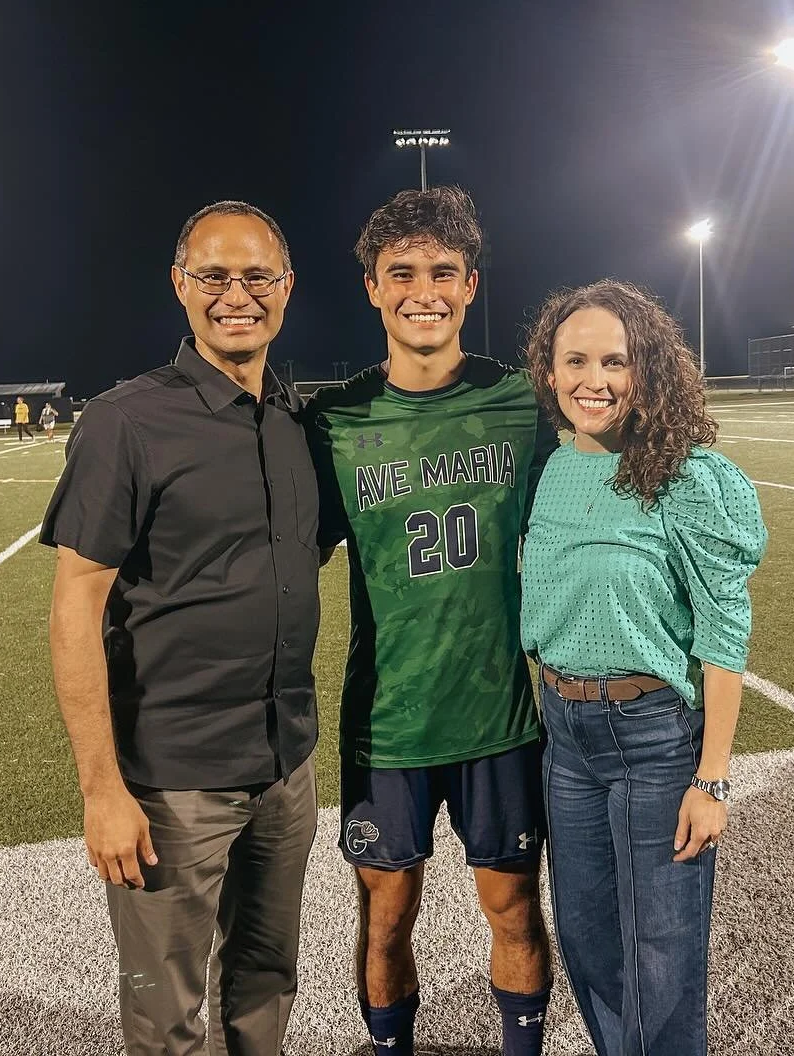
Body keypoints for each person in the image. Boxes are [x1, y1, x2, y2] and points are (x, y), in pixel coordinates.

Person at [41, 200, 319, 1056]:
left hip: (284, 766)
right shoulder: (126, 422)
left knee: (267, 987)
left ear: (287, 287)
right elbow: (74, 604)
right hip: (172, 782)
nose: (236, 295)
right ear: (180, 284)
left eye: (256, 277)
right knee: (167, 1022)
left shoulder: (295, 416)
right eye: (213, 276)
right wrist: (100, 791)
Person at [305, 186, 559, 1056]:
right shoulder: (332, 422)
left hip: (499, 718)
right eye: (401, 272)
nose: (424, 291)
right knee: (386, 917)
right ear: (371, 287)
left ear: (471, 286)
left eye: (443, 272)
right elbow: (282, 554)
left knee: (514, 907)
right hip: (387, 725)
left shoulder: (524, 404)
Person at [519, 279, 767, 1056]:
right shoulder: (551, 467)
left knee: (662, 961)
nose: (595, 380)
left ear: (647, 372)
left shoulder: (687, 476)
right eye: (576, 360)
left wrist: (713, 777)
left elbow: (725, 632)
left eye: (615, 362)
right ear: (549, 372)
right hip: (563, 736)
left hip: (655, 738)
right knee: (590, 944)